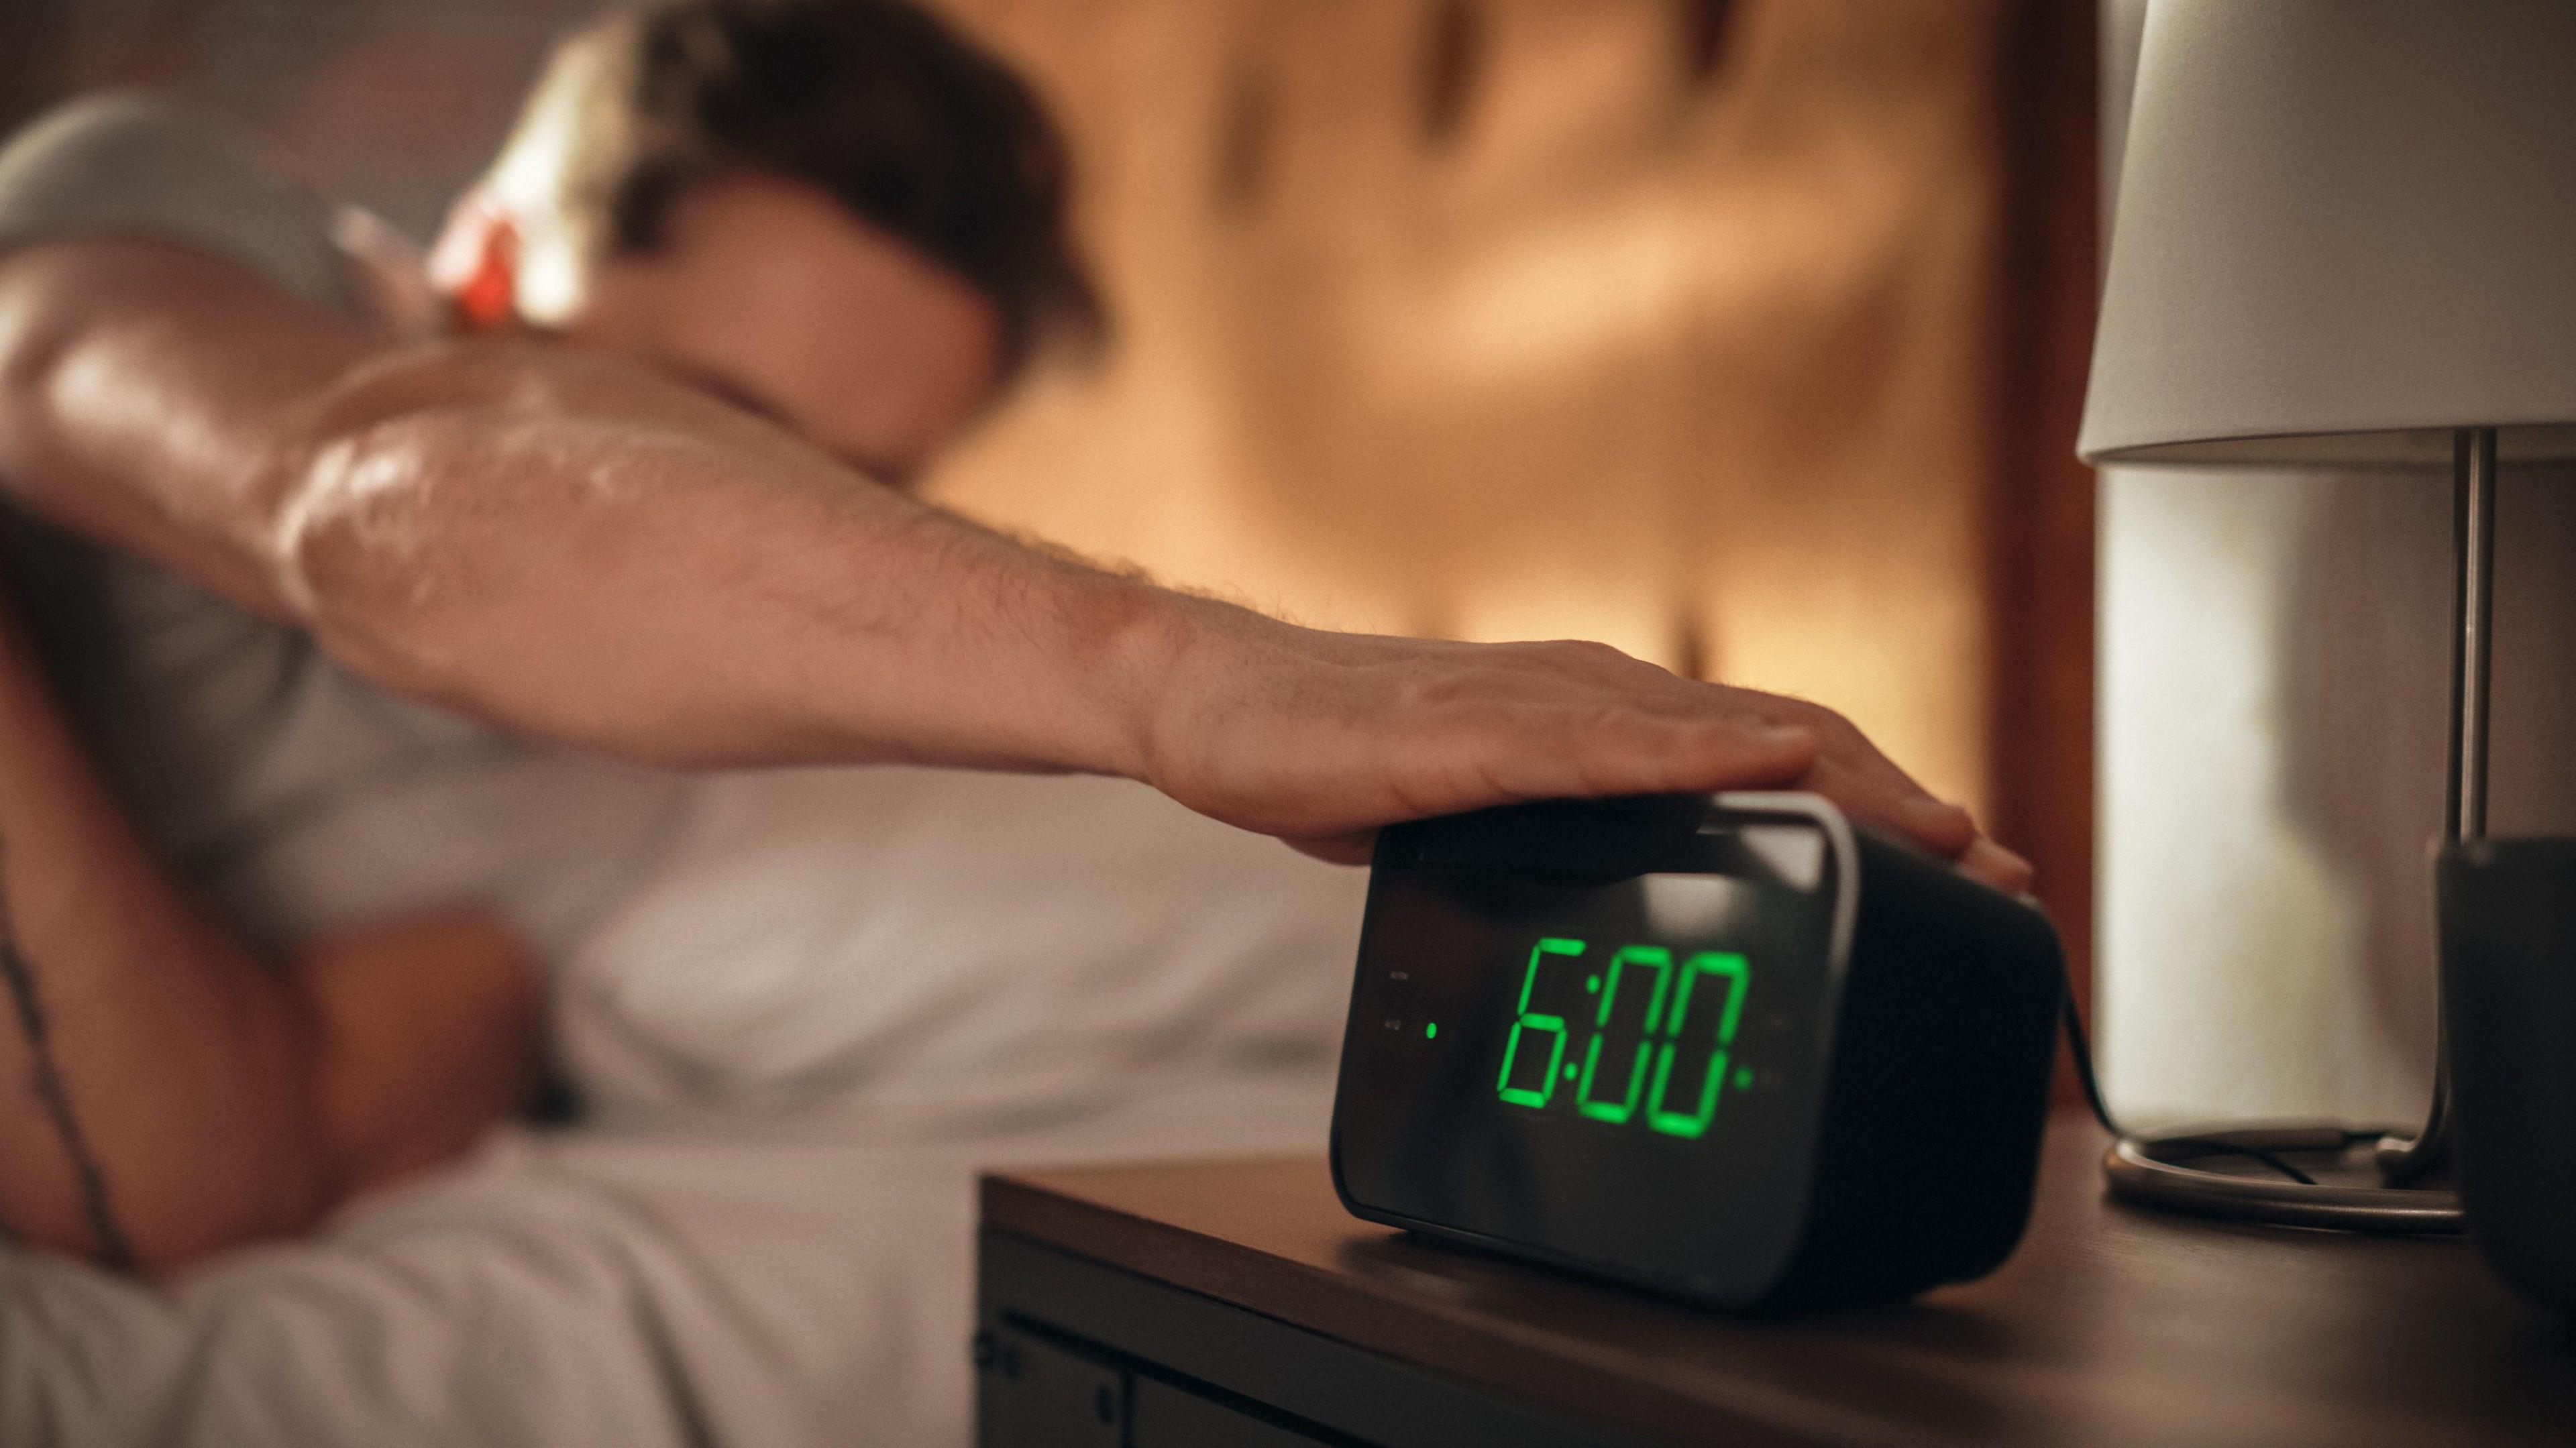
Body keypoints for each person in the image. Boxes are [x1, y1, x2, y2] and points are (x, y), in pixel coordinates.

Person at [0, 0, 2027, 1273]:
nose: (777, 546)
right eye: (722, 434)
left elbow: (194, 1178)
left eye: (865, 489)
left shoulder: (649, 784)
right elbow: (368, 480)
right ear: (502, 269)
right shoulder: (158, 215)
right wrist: (1182, 674)